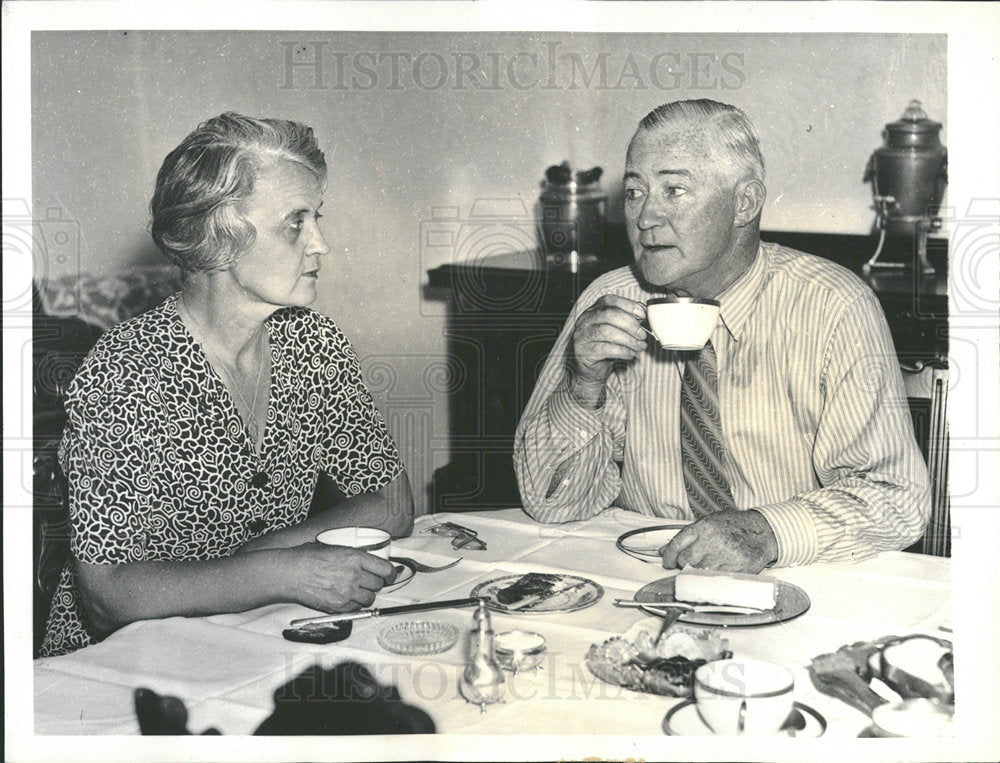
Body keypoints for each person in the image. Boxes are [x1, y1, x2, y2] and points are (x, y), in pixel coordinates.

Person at [40, 113, 414, 657]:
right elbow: (108, 597)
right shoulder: (124, 372)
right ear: (221, 236)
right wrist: (279, 572)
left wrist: (255, 568)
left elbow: (389, 504)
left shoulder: (313, 343)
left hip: (256, 634)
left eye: (318, 218)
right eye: (295, 222)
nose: (321, 245)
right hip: (121, 664)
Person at [514, 99, 929, 573]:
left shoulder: (833, 306)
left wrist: (765, 531)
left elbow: (896, 499)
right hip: (642, 572)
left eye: (674, 190)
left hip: (794, 575)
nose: (645, 217)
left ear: (745, 203)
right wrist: (582, 385)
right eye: (634, 192)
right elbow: (549, 505)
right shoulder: (609, 300)